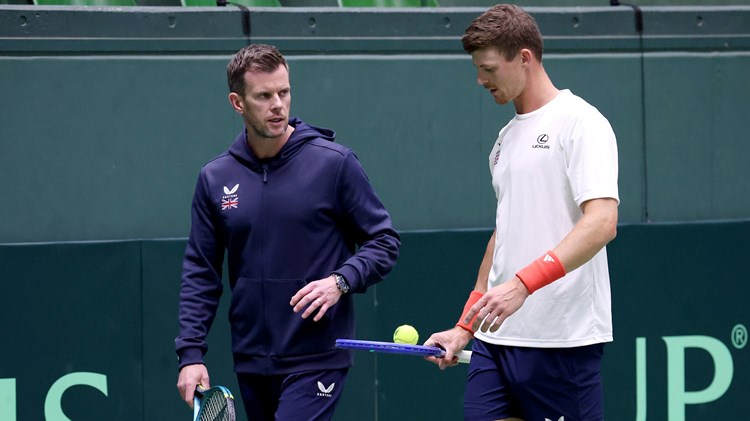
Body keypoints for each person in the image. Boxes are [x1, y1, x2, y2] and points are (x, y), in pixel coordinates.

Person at [175, 44, 400, 421]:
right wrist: (191, 355)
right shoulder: (215, 178)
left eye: (284, 92)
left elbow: (384, 242)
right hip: (251, 360)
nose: (278, 104)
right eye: (264, 96)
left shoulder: (335, 164)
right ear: (238, 102)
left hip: (318, 355)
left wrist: (340, 281)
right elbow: (202, 271)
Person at [424, 5, 619, 421]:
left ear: (524, 58)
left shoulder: (582, 123)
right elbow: (505, 234)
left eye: (489, 68)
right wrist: (466, 325)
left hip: (562, 341)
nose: (480, 80)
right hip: (496, 342)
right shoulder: (504, 140)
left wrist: (523, 285)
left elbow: (602, 222)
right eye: (477, 69)